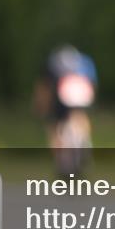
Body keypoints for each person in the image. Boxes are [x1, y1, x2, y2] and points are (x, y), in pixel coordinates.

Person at [34, 44, 98, 176]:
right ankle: (85, 144)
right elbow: (92, 84)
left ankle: (61, 161)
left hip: (63, 91)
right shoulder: (85, 61)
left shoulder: (53, 65)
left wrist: (42, 109)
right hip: (82, 89)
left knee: (55, 126)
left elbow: (44, 89)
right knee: (80, 116)